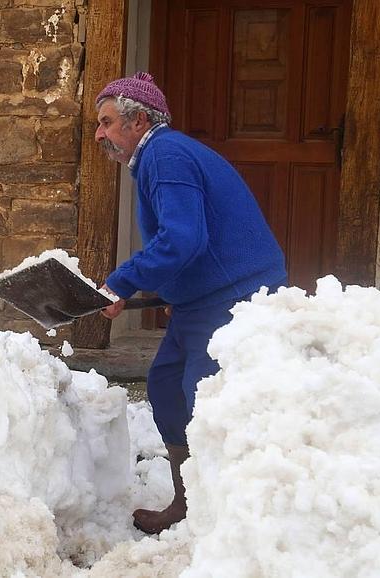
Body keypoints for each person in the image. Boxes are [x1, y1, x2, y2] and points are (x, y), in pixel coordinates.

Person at [95, 72, 287, 534]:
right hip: (201, 300)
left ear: (138, 120)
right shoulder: (160, 156)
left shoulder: (165, 154)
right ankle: (190, 502)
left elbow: (183, 239)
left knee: (204, 402)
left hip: (234, 297)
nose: (99, 134)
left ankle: (223, 521)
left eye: (105, 122)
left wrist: (122, 282)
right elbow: (185, 240)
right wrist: (171, 290)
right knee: (164, 387)